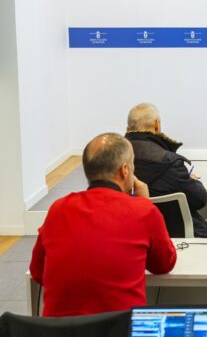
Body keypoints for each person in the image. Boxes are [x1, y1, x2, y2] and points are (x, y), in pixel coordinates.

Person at [29, 133, 177, 317]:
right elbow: (164, 264)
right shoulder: (143, 211)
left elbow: (38, 273)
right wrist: (145, 203)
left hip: (61, 334)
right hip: (121, 332)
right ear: (125, 170)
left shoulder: (58, 208)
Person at [125, 103, 207, 238]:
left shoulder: (116, 162)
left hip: (135, 235)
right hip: (179, 235)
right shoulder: (170, 162)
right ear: (157, 125)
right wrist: (191, 180)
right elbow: (199, 200)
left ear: (127, 129)